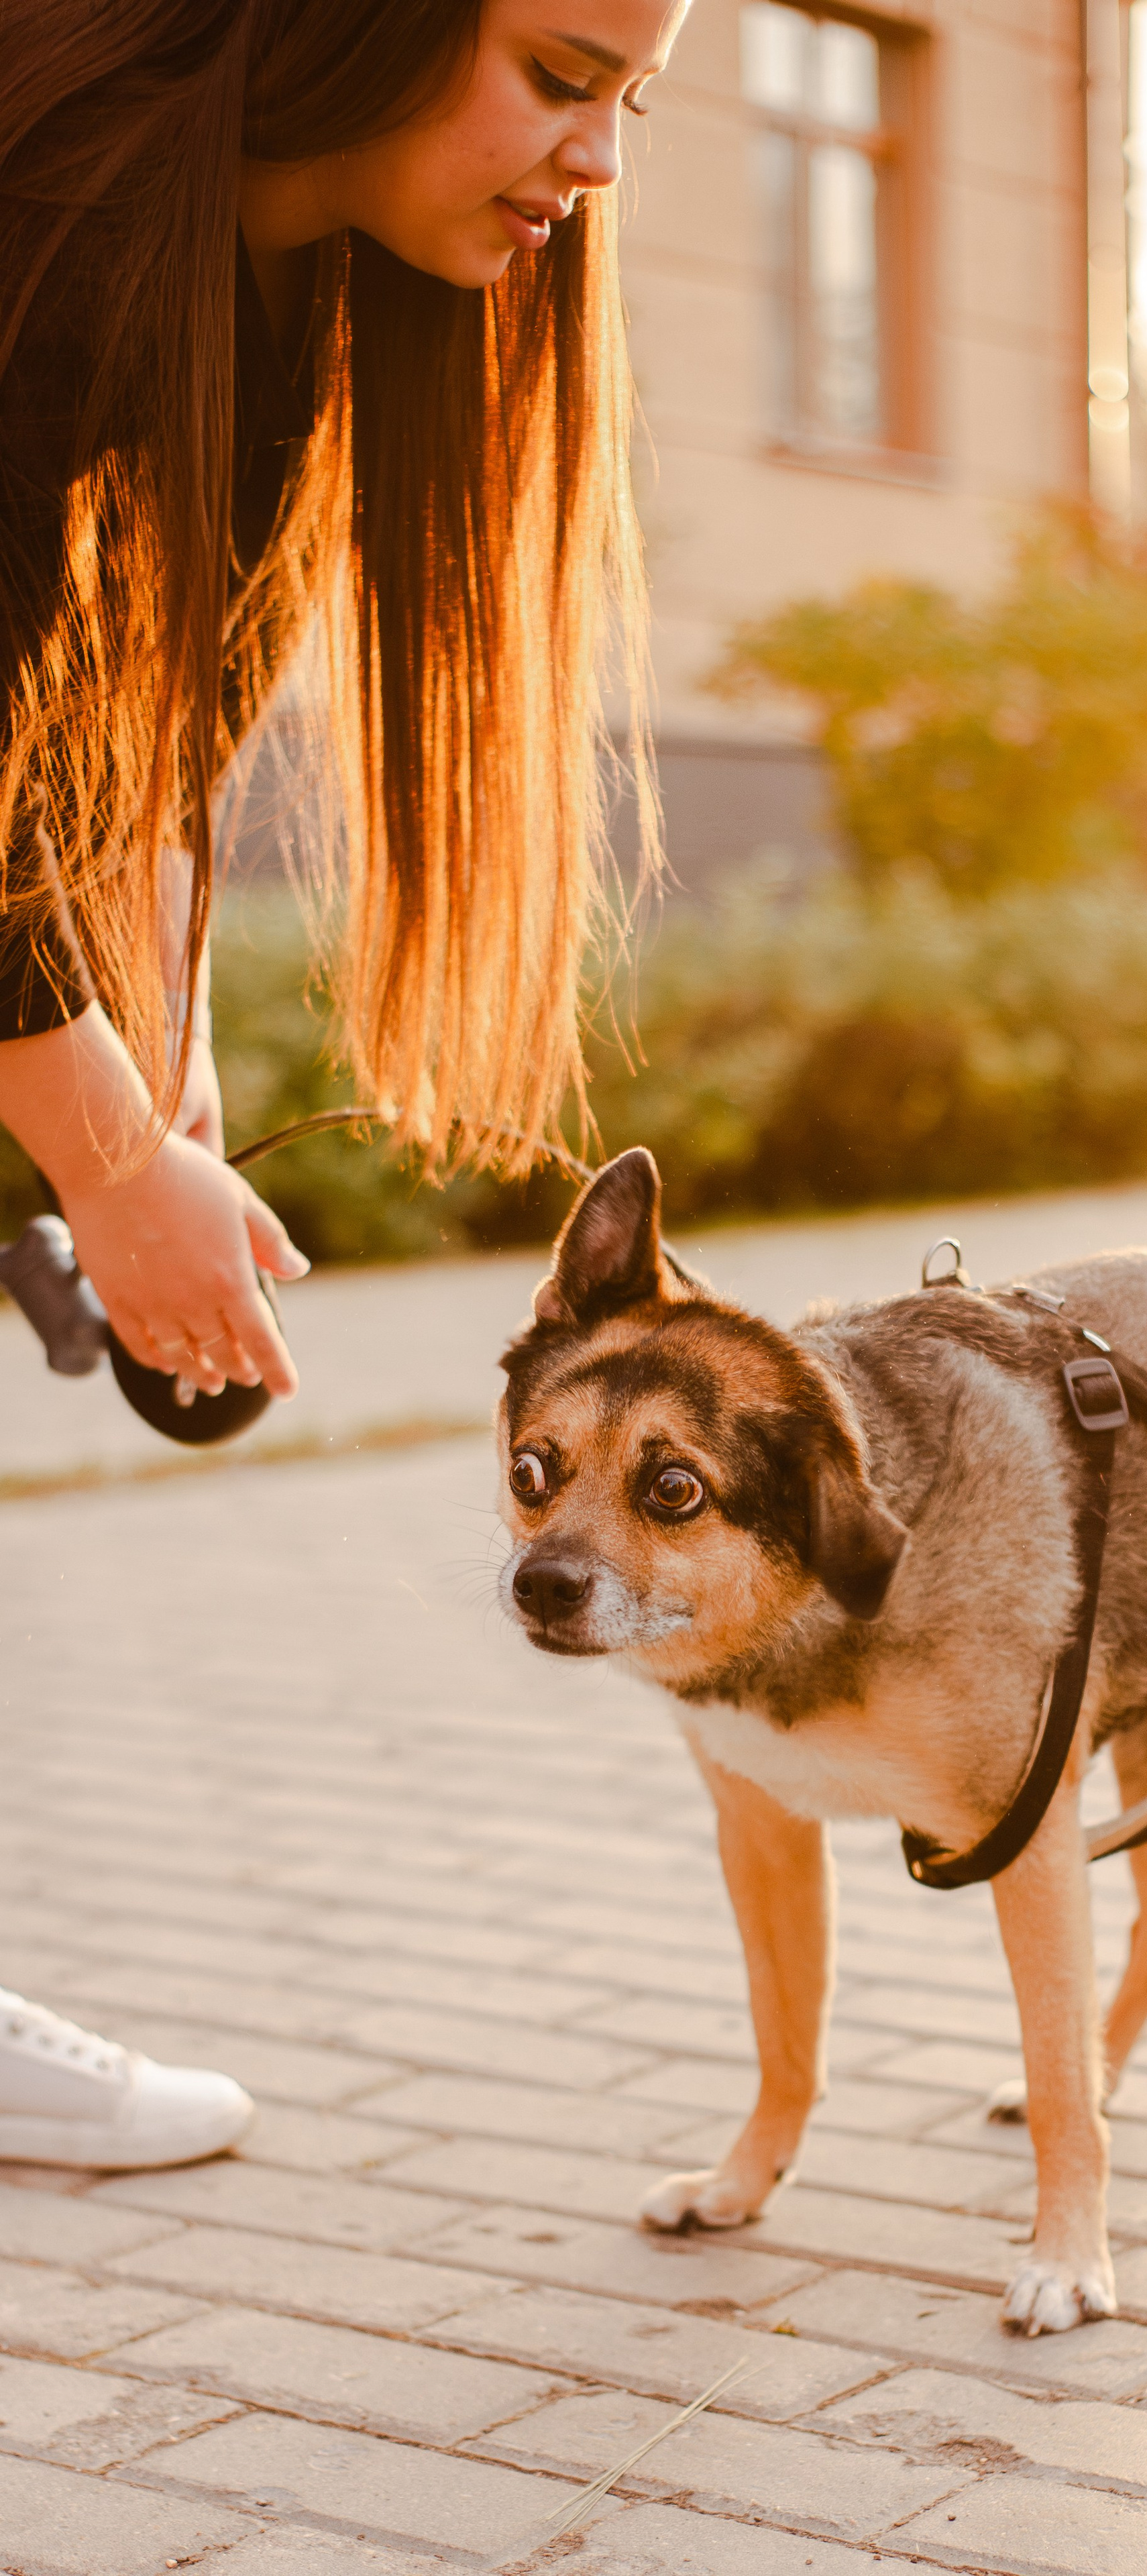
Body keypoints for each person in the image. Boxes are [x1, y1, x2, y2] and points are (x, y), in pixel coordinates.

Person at [0, 0, 681, 2168]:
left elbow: (115, 733)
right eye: (564, 75)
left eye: (625, 106)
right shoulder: (58, 228)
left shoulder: (282, 298)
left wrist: (159, 1070)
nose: (592, 162)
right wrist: (100, 1159)